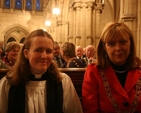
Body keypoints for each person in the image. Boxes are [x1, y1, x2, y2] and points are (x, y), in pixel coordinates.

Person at [0, 29, 83, 113]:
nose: (44, 56)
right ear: (26, 53)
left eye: (48, 51)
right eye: (38, 50)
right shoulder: (7, 84)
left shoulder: (63, 81)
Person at [82, 21, 141, 112]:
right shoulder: (94, 72)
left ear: (130, 43)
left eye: (123, 42)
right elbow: (90, 109)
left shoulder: (139, 70)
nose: (118, 48)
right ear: (105, 47)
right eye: (111, 44)